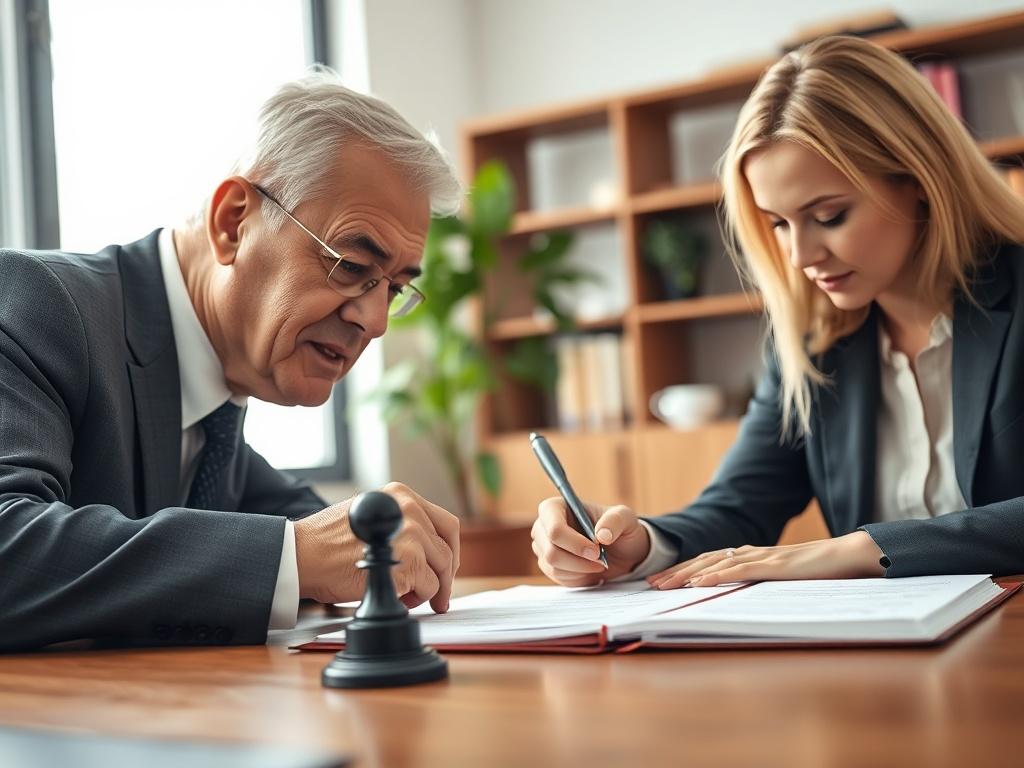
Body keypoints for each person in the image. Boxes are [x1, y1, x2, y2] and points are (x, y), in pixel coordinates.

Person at [531, 35, 1024, 590]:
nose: (800, 257)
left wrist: (866, 546)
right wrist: (638, 543)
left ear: (920, 181)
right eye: (779, 224)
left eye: (830, 215)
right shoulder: (813, 343)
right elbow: (738, 506)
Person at [0, 69, 464, 651]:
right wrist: (294, 557)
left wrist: (578, 551)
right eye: (350, 265)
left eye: (393, 288)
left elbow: (326, 531)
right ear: (233, 222)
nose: (375, 322)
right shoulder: (38, 301)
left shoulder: (214, 422)